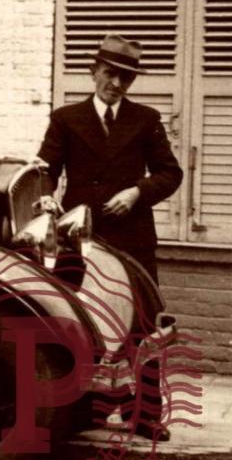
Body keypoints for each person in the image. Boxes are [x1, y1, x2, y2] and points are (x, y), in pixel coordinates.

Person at [36, 33, 183, 282]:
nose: (116, 83)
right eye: (109, 73)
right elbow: (45, 171)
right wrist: (47, 200)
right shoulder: (66, 119)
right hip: (78, 235)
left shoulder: (146, 119)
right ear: (93, 72)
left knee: (136, 313)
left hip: (132, 239)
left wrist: (136, 192)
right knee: (75, 312)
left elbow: (170, 173)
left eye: (125, 77)